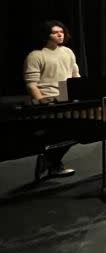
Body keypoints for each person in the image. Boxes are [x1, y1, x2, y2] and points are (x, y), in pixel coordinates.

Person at [24, 20, 81, 178]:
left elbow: (75, 76)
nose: (60, 34)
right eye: (55, 32)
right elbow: (31, 84)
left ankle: (50, 160)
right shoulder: (36, 55)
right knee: (60, 132)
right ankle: (53, 163)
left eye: (61, 31)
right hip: (48, 98)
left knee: (80, 130)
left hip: (66, 96)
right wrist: (42, 105)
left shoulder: (68, 52)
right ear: (46, 35)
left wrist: (80, 95)